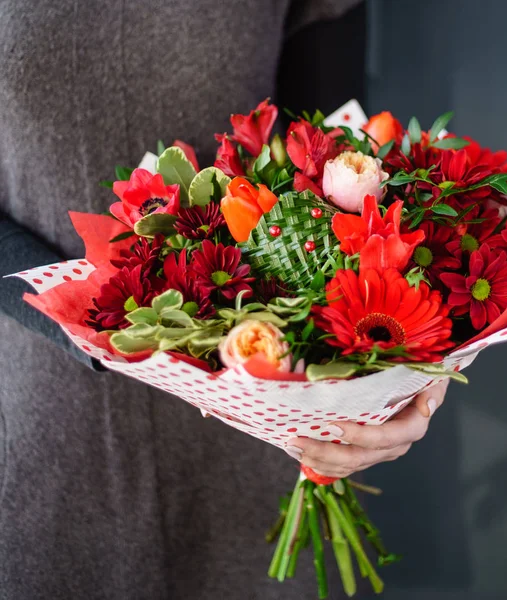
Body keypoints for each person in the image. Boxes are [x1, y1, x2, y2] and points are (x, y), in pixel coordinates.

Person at [0, 1, 448, 597]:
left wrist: (404, 369)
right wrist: (96, 315)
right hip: (47, 418)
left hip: (262, 411)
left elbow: (338, 164)